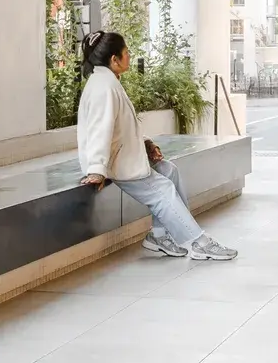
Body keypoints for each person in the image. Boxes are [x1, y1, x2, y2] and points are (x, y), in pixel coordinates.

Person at [76, 31, 238, 261]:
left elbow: (121, 126)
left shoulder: (107, 81)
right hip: (116, 164)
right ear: (114, 60)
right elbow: (99, 130)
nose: (129, 56)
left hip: (123, 156)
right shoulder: (104, 86)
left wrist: (145, 144)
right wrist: (96, 169)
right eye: (126, 53)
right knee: (163, 191)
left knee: (169, 171)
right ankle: (197, 242)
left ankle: (159, 236)